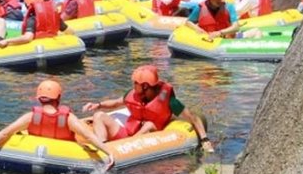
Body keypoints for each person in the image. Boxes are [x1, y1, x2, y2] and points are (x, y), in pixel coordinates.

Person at [0, 80, 114, 168]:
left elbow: (4, 133)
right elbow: (89, 137)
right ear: (59, 97)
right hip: (65, 156)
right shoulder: (68, 119)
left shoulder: (30, 117)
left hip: (30, 154)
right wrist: (109, 153)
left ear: (39, 99)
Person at [82, 65, 211, 152]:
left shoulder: (169, 101)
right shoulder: (134, 94)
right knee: (99, 115)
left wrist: (204, 139)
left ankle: (122, 147)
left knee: (149, 124)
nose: (133, 85)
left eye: (135, 83)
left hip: (149, 134)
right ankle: (103, 147)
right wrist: (98, 105)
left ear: (145, 86)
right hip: (128, 133)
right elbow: (116, 103)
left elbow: (192, 117)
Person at [0, 0, 68, 48]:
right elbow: (69, 31)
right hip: (54, 46)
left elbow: (27, 38)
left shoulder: (32, 19)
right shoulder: (54, 16)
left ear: (27, 5)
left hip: (40, 48)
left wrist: (7, 41)